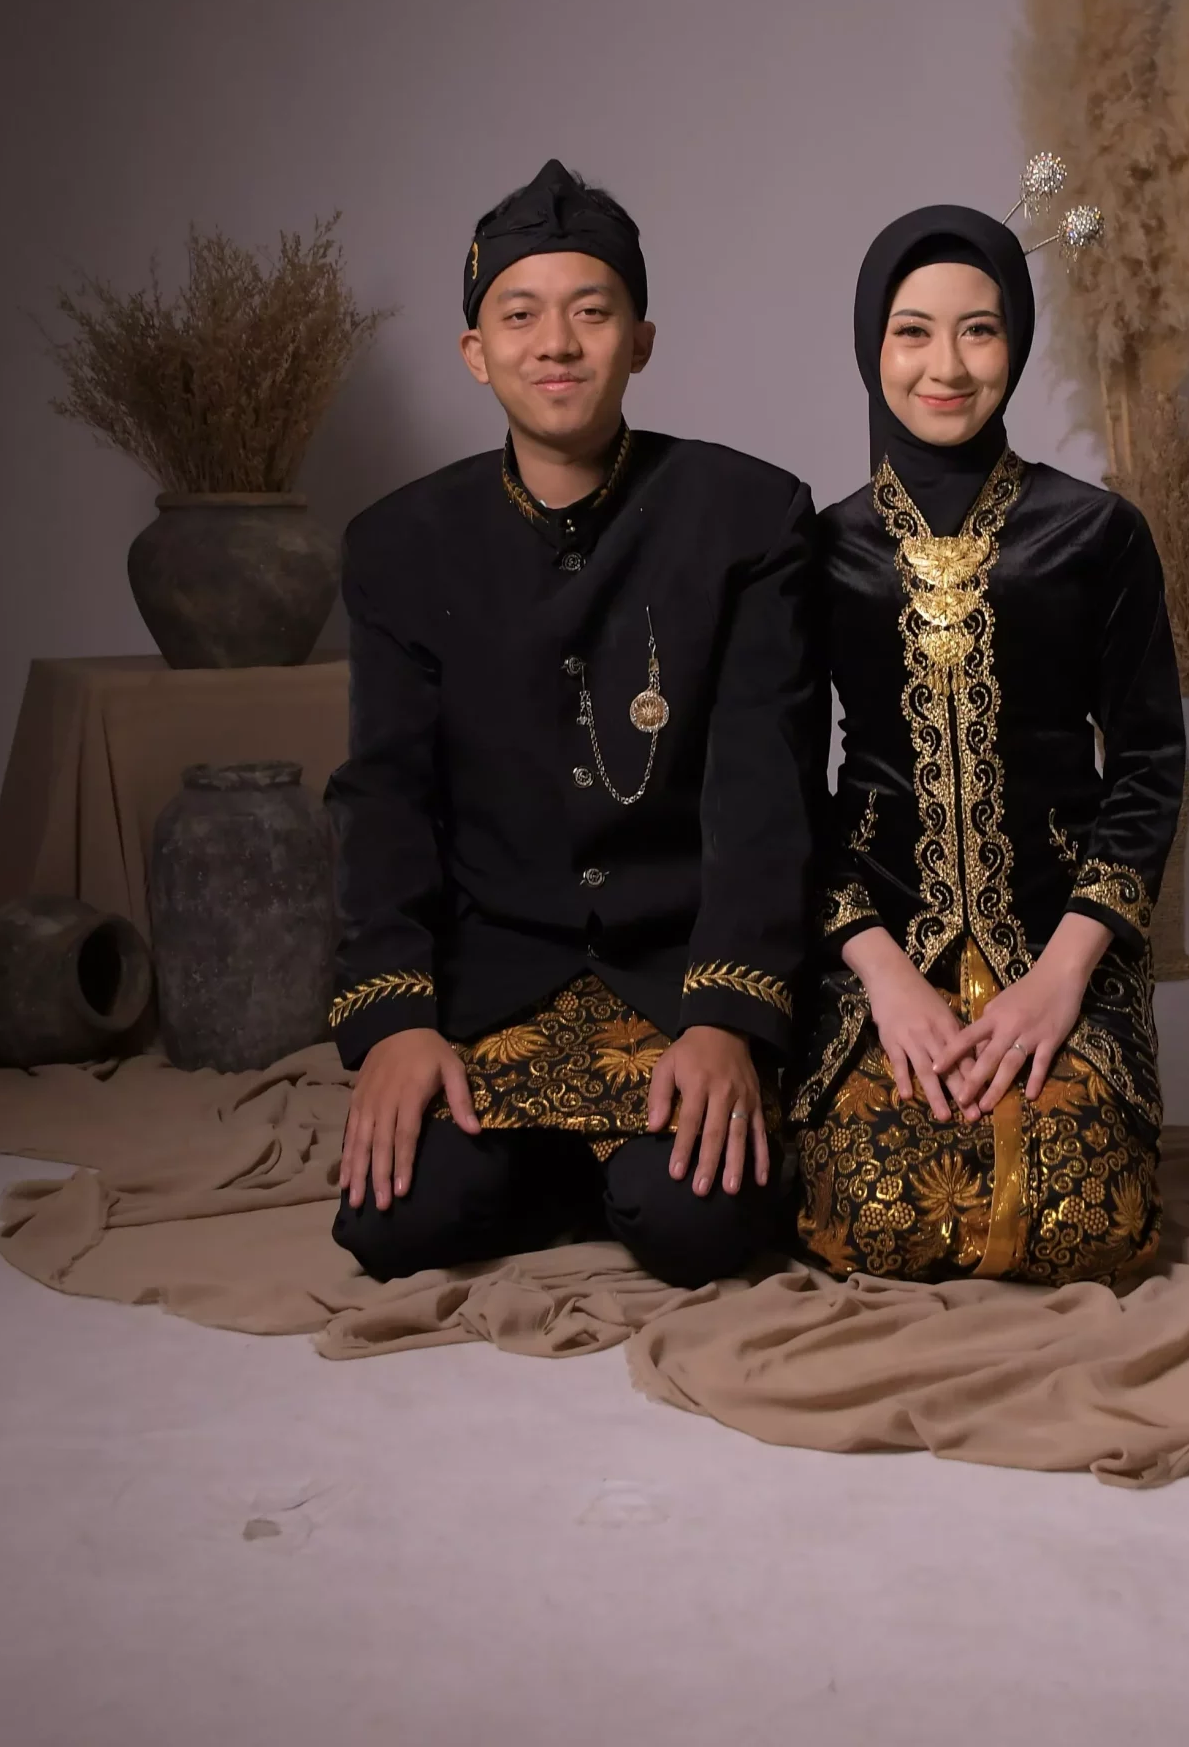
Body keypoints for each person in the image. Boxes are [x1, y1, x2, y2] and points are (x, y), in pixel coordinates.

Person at [328, 159, 821, 1289]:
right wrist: (398, 1024)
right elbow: (383, 795)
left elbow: (768, 788)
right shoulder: (399, 545)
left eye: (591, 313)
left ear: (639, 342)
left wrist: (726, 1019)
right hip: (495, 972)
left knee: (694, 1228)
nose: (556, 343)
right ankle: (576, 1171)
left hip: (681, 970)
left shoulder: (749, 517)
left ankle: (607, 1171)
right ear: (475, 351)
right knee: (394, 1227)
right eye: (520, 315)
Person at [791, 203, 1184, 1285]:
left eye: (980, 330)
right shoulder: (820, 551)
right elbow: (782, 785)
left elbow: (1148, 763)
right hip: (877, 943)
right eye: (912, 332)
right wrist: (880, 975)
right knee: (879, 1215)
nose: (947, 367)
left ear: (1017, 338)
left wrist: (1062, 974)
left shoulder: (1096, 533)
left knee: (1084, 1220)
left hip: (1063, 938)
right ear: (869, 344)